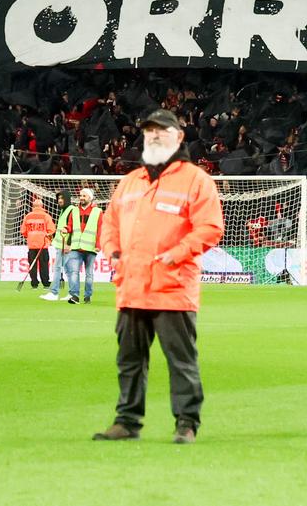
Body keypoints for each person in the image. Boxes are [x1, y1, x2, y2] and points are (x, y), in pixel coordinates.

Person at [92, 110, 224, 445]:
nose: (154, 136)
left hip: (172, 286)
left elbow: (210, 227)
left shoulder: (195, 180)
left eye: (162, 131)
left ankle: (186, 422)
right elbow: (109, 223)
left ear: (179, 137)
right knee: (129, 361)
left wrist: (177, 253)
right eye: (149, 131)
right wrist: (113, 252)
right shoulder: (130, 181)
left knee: (181, 362)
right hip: (132, 286)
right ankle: (127, 421)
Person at [48, 186, 103, 305]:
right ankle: (75, 296)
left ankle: (87, 296)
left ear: (90, 198)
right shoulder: (75, 211)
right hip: (76, 247)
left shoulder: (98, 212)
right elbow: (71, 225)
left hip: (90, 248)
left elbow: (100, 229)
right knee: (73, 272)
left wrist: (98, 244)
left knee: (89, 274)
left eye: (84, 196)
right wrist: (66, 229)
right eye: (81, 195)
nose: (81, 198)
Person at [22, 195, 54, 291]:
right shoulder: (46, 216)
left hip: (31, 244)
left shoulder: (28, 216)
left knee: (33, 265)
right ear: (42, 206)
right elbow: (51, 230)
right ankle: (46, 284)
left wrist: (30, 236)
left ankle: (34, 284)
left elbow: (23, 231)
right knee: (44, 265)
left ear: (33, 206)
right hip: (43, 245)